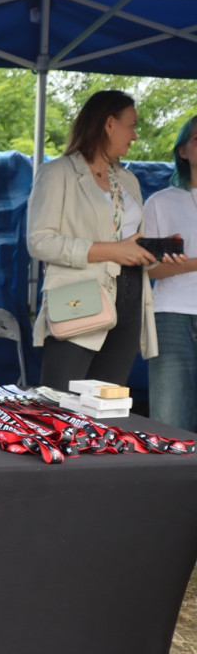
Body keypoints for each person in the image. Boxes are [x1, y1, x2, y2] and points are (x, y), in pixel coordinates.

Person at [27, 90, 176, 391]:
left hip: (132, 295)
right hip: (79, 294)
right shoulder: (57, 173)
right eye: (131, 125)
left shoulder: (128, 179)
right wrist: (113, 251)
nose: (135, 136)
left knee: (108, 402)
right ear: (109, 124)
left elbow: (126, 240)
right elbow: (40, 242)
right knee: (59, 399)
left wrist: (157, 249)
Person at [144, 115, 197, 430]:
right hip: (171, 316)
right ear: (183, 152)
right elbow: (150, 268)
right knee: (170, 422)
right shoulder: (160, 203)